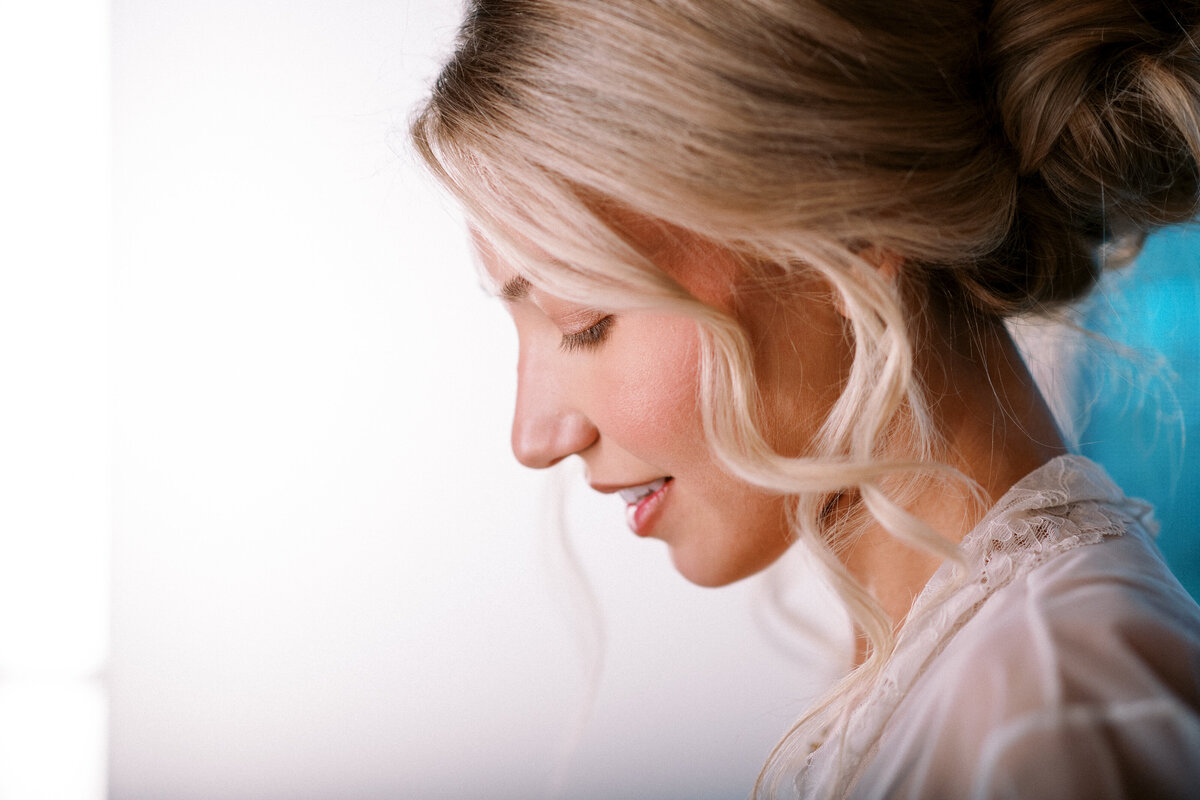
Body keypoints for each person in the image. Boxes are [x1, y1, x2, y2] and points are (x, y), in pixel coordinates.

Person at [410, 0, 1200, 797]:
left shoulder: (1054, 720)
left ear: (852, 221)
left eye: (583, 323)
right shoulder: (961, 679)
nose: (534, 436)